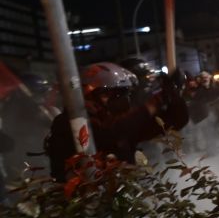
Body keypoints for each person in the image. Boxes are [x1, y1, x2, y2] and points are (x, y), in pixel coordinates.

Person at [46, 62, 188, 182]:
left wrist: (174, 96)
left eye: (121, 94)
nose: (118, 101)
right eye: (108, 95)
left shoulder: (114, 120)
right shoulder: (69, 122)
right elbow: (109, 134)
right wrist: (156, 101)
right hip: (85, 204)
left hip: (123, 197)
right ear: (89, 93)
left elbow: (173, 122)